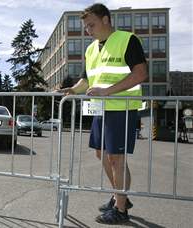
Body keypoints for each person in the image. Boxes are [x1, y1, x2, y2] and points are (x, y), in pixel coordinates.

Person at [58, 3, 147, 224]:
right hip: (99, 109)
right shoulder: (91, 49)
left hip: (121, 108)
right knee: (103, 155)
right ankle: (120, 196)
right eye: (86, 27)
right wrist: (72, 90)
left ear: (106, 20)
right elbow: (86, 80)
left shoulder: (127, 40)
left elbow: (140, 73)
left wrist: (107, 91)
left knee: (116, 158)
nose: (88, 30)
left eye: (91, 25)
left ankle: (121, 209)